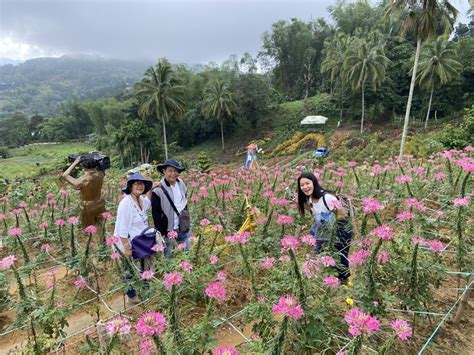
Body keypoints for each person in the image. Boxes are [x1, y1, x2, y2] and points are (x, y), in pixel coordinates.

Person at [297, 172, 352, 282]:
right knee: (323, 253)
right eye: (302, 185)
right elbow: (313, 209)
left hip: (340, 229)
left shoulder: (327, 197)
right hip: (325, 230)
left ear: (314, 182)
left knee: (340, 255)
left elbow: (342, 215)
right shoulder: (309, 199)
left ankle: (344, 280)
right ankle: (330, 279)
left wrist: (331, 226)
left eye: (307, 183)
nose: (305, 187)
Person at [113, 173, 156, 306]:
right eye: (136, 183)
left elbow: (148, 202)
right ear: (130, 186)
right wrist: (127, 248)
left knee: (143, 266)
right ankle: (131, 296)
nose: (140, 185)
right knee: (129, 270)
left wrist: (152, 189)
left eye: (142, 183)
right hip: (127, 243)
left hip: (140, 242)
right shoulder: (126, 203)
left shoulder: (141, 200)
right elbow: (122, 229)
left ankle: (145, 290)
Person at [151, 159, 191, 259]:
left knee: (188, 252)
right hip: (168, 229)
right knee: (168, 256)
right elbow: (155, 214)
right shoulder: (158, 190)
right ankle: (168, 273)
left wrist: (186, 216)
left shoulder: (181, 183)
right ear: (164, 171)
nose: (173, 174)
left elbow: (184, 201)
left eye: (176, 171)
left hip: (182, 225)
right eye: (170, 171)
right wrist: (162, 232)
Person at [62, 157, 106, 228]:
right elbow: (101, 169)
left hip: (88, 207)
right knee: (101, 227)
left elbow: (65, 175)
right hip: (100, 203)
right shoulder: (100, 174)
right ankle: (102, 239)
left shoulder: (83, 180)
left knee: (89, 231)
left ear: (82, 165)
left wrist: (75, 162)